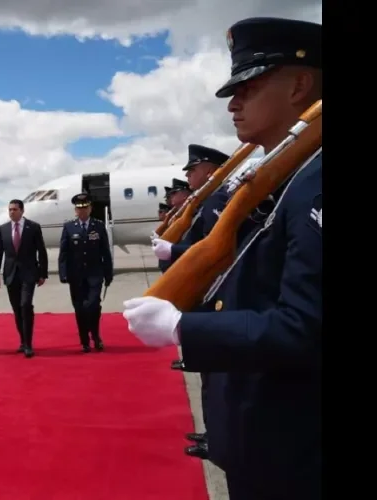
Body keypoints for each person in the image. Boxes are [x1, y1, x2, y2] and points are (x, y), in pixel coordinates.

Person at [123, 17, 322, 500]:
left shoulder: (314, 180)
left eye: (249, 87)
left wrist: (183, 328)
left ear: (300, 84)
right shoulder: (287, 174)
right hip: (262, 435)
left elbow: (307, 327)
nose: (233, 103)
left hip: (293, 449)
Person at [153, 144, 231, 460]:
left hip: (212, 295)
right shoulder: (203, 202)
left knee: (217, 376)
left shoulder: (215, 201)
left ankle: (218, 438)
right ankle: (213, 432)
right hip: (204, 294)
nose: (188, 176)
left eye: (193, 169)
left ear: (210, 170)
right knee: (209, 376)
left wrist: (174, 252)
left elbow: (214, 249)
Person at [0, 199, 49, 357]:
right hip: (11, 274)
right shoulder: (3, 229)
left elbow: (41, 251)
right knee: (17, 309)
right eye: (10, 209)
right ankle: (23, 341)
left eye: (15, 209)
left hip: (29, 274)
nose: (11, 212)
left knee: (25, 305)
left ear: (22, 211)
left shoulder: (33, 227)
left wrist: (43, 273)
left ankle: (29, 344)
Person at [58, 193, 114, 352]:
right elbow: (64, 253)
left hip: (95, 273)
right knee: (79, 308)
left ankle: (95, 336)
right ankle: (84, 341)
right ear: (75, 210)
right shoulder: (69, 227)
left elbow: (105, 251)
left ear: (90, 209)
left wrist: (108, 273)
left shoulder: (98, 225)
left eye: (85, 208)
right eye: (79, 209)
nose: (82, 211)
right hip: (75, 275)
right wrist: (63, 273)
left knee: (93, 305)